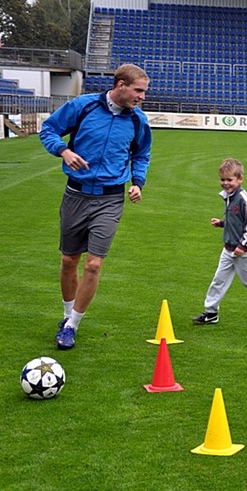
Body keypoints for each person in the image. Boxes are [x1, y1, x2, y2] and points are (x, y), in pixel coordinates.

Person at [39, 63, 153, 350]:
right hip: (75, 195)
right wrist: (63, 150)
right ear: (120, 85)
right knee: (69, 261)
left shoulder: (138, 120)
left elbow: (142, 154)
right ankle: (67, 316)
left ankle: (72, 326)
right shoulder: (83, 106)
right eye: (138, 90)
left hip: (110, 199)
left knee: (93, 264)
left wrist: (138, 182)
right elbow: (48, 129)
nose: (142, 97)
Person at [193, 158, 247, 325]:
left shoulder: (243, 198)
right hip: (228, 248)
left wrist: (243, 246)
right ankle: (211, 312)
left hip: (243, 251)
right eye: (222, 179)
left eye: (229, 180)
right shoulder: (229, 196)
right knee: (219, 279)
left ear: (240, 179)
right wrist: (222, 223)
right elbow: (235, 220)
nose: (225, 183)